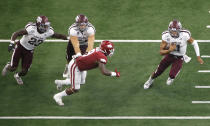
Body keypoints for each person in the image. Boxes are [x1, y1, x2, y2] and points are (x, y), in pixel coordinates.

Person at [1, 16, 68, 85]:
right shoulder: (31, 29)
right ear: (39, 25)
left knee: (24, 72)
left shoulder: (49, 32)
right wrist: (11, 43)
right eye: (44, 26)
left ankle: (17, 76)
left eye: (46, 26)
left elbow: (59, 36)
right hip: (20, 47)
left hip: (29, 51)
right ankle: (7, 66)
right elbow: (17, 33)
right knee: (13, 68)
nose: (46, 27)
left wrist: (69, 38)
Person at [53, 40, 120, 106]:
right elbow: (104, 72)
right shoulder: (101, 56)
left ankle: (61, 82)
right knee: (75, 89)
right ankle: (58, 96)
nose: (111, 51)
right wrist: (115, 74)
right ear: (105, 50)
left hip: (81, 64)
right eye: (110, 50)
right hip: (76, 66)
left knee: (82, 82)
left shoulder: (99, 50)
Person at [143, 19, 204, 89]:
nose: (173, 33)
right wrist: (169, 50)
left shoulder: (185, 35)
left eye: (175, 31)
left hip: (180, 57)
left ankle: (171, 77)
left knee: (171, 77)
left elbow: (194, 43)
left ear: (179, 30)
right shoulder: (166, 35)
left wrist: (198, 56)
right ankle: (149, 81)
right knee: (158, 71)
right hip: (170, 55)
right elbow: (161, 52)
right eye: (172, 31)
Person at [62, 14, 96, 79]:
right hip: (73, 43)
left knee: (83, 59)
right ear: (77, 24)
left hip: (84, 44)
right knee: (69, 57)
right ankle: (68, 66)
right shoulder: (72, 30)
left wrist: (87, 53)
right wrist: (78, 53)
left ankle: (78, 71)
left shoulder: (91, 29)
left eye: (84, 24)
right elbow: (76, 45)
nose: (82, 26)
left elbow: (90, 43)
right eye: (80, 24)